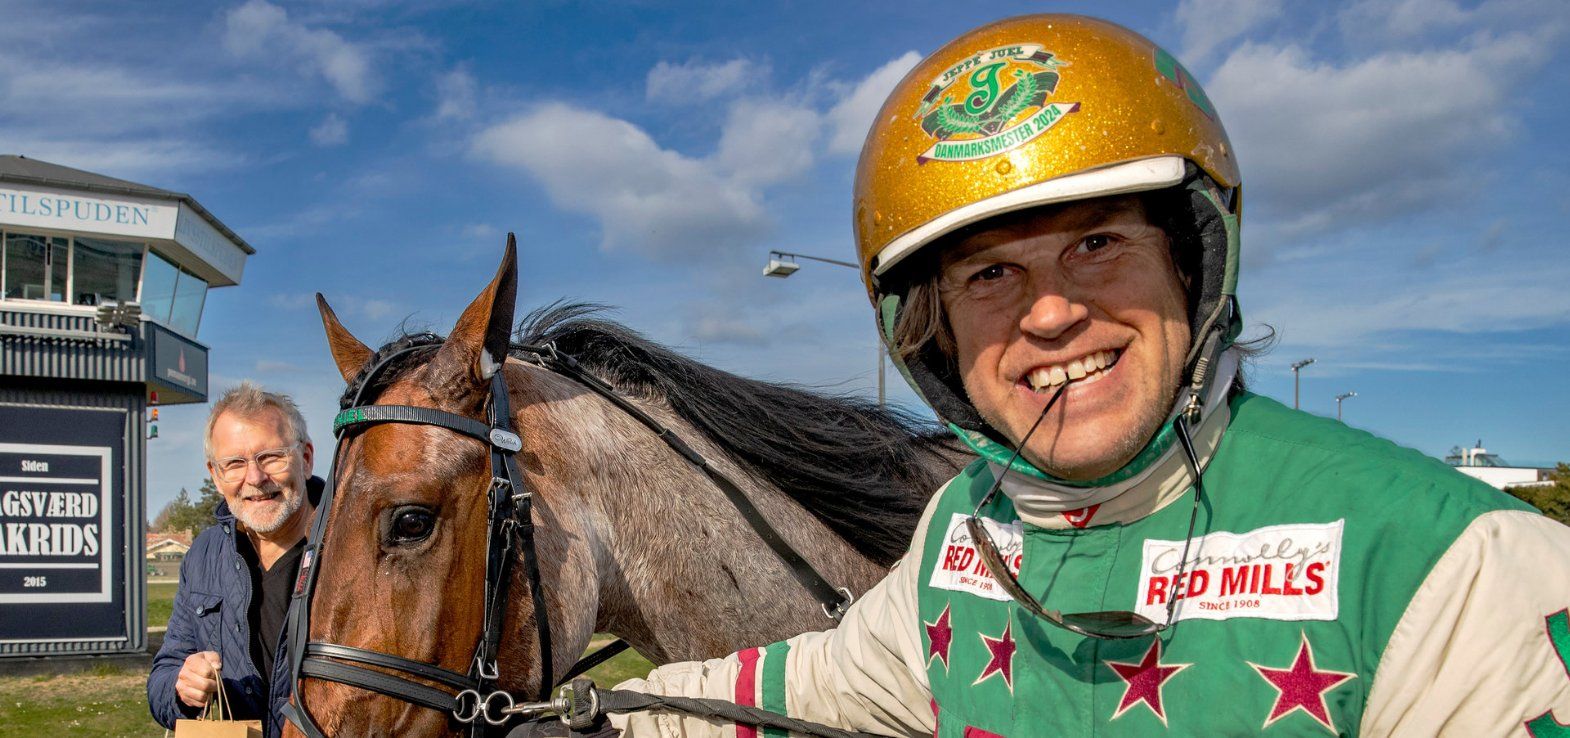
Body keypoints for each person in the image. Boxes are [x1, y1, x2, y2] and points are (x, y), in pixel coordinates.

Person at [611, 14, 1570, 736]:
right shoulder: (963, 528)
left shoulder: (1458, 567)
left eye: (1098, 245)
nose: (1049, 313)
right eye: (991, 275)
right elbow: (823, 686)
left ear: (1190, 267)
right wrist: (605, 717)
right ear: (934, 335)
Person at [148, 383, 322, 738]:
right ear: (216, 475)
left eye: (270, 457)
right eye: (235, 464)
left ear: (305, 459)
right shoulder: (205, 555)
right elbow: (164, 674)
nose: (254, 478)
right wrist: (182, 687)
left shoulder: (355, 545)